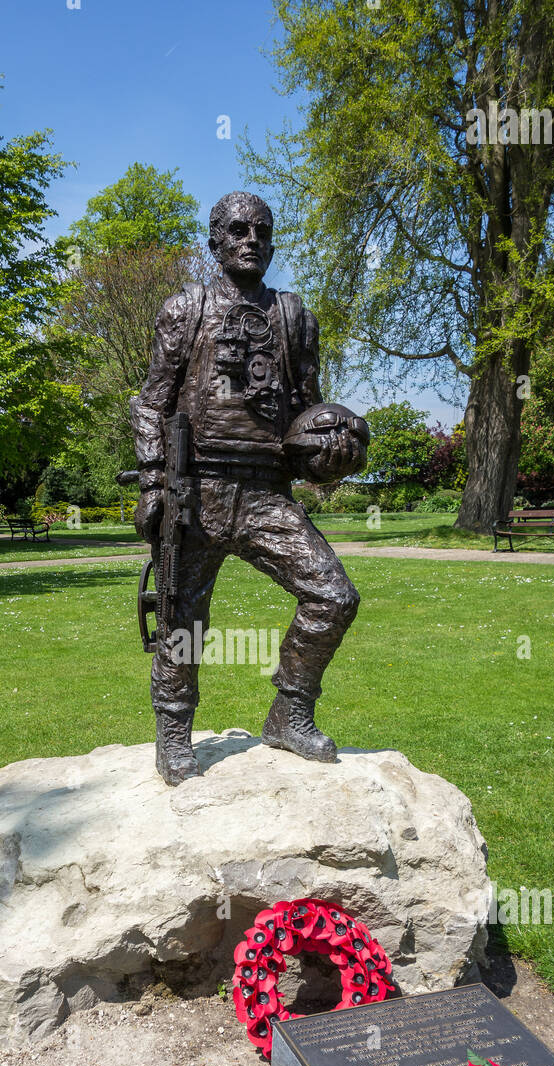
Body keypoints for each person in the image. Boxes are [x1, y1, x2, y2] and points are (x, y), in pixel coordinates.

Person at [130, 190, 364, 785]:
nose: (250, 239)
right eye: (237, 229)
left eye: (262, 230)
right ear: (214, 240)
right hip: (197, 491)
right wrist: (155, 480)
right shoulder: (186, 309)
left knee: (333, 596)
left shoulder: (294, 317)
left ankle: (290, 713)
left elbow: (307, 415)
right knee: (183, 619)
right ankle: (174, 732)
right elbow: (151, 403)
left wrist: (333, 450)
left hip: (266, 495)